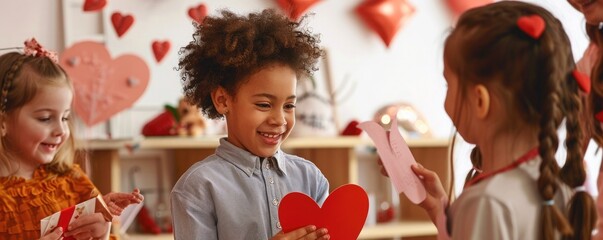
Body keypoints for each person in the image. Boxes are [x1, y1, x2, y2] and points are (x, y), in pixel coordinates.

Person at [384, 1, 597, 239]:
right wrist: (441, 210)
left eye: (449, 85)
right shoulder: (559, 190)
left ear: (479, 101)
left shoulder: (486, 202)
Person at [171, 9, 330, 240]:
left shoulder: (310, 178)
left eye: (289, 106)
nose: (279, 120)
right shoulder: (198, 187)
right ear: (223, 100)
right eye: (264, 105)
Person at [0, 38, 144, 240]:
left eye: (65, 117)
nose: (61, 129)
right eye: (45, 118)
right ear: (2, 121)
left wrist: (102, 235)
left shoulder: (73, 182)